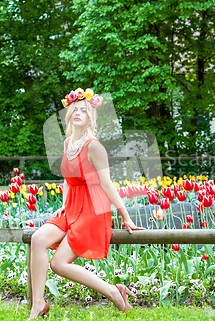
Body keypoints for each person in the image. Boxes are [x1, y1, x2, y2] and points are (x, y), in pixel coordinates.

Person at [28, 88, 144, 319]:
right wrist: (63, 203)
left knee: (59, 264)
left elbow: (107, 183)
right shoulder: (68, 142)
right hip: (71, 207)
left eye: (84, 110)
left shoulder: (94, 146)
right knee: (37, 238)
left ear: (91, 117)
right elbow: (67, 179)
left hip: (93, 209)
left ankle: (113, 291)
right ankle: (38, 303)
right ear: (69, 115)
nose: (79, 113)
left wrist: (125, 216)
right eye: (75, 109)